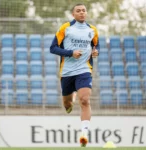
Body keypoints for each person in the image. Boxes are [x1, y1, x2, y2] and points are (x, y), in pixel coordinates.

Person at [50, 3, 100, 147]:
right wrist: (70, 53)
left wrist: (96, 51)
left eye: (84, 10)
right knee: (67, 105)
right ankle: (70, 99)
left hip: (84, 70)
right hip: (67, 72)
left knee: (84, 100)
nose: (82, 13)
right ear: (73, 14)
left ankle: (84, 134)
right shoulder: (65, 28)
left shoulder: (93, 30)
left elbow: (96, 45)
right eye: (78, 11)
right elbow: (52, 48)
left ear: (86, 13)